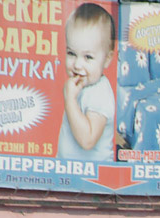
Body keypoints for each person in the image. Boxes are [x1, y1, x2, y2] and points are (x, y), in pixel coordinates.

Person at [58, 3, 116, 161]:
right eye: (71, 53)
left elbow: (87, 140)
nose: (77, 65)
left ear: (107, 59)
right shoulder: (81, 87)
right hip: (71, 177)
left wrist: (70, 100)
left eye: (88, 57)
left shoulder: (100, 93)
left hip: (93, 181)